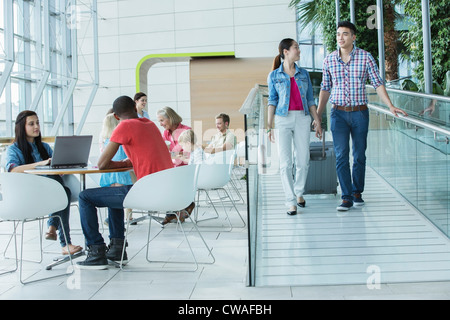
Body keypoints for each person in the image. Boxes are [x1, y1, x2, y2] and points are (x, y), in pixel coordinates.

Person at [316, 21, 408, 212]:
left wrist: (390, 105)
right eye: (338, 34)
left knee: (359, 155)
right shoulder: (329, 60)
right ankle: (346, 196)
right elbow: (325, 89)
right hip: (338, 114)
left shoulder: (365, 58)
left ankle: (357, 192)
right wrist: (318, 115)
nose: (341, 37)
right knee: (341, 155)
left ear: (354, 37)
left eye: (345, 34)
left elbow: (377, 83)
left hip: (360, 113)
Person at [76, 96, 173, 269]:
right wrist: (127, 162)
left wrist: (121, 163)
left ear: (116, 116)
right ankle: (117, 249)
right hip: (164, 189)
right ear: (135, 108)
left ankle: (96, 251)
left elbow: (102, 164)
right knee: (116, 190)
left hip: (146, 191)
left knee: (84, 197)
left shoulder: (124, 125)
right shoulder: (149, 124)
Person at [5, 110, 82, 255]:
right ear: (22, 127)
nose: (36, 127)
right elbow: (13, 170)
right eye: (31, 124)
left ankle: (54, 228)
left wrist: (61, 167)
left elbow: (55, 164)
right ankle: (63, 241)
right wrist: (42, 163)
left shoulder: (44, 147)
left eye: (38, 123)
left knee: (61, 189)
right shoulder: (13, 149)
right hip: (28, 195)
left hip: (49, 192)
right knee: (63, 191)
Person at [267, 38, 322, 216]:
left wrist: (317, 120)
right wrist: (269, 125)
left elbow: (310, 100)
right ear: (286, 52)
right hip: (283, 119)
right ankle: (290, 201)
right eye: (296, 48)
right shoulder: (274, 76)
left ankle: (299, 192)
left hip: (303, 118)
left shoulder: (303, 74)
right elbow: (272, 101)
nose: (299, 51)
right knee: (285, 162)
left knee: (303, 160)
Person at [99, 110, 134, 224]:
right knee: (121, 195)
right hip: (123, 174)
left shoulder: (107, 142)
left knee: (114, 196)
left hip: (111, 175)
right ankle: (125, 217)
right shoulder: (120, 142)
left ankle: (115, 220)